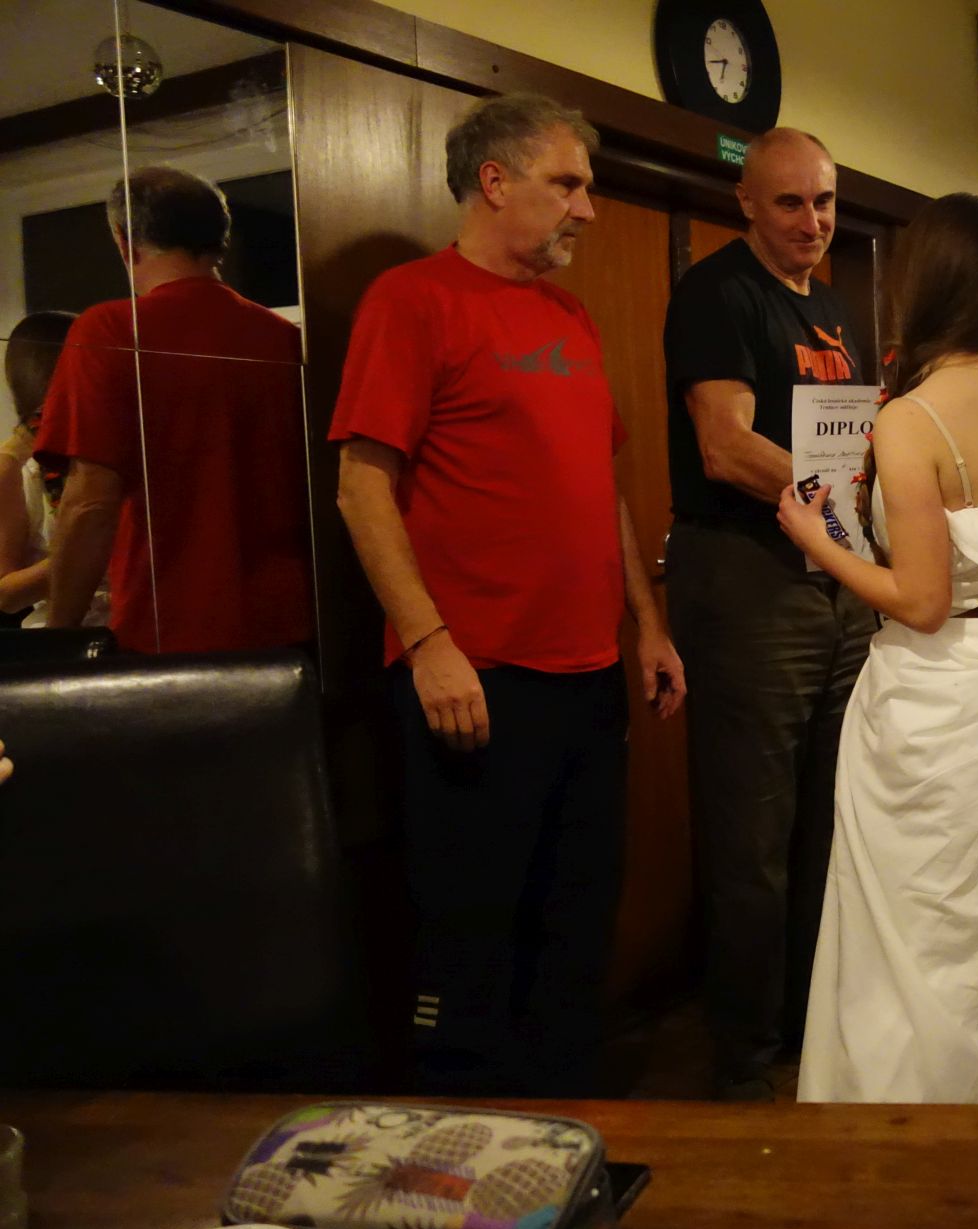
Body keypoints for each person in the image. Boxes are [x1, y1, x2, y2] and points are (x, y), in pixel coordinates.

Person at [331, 93, 684, 1096]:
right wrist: (429, 643)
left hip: (588, 679)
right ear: (495, 181)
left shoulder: (569, 313)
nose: (587, 208)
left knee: (575, 932)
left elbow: (601, 485)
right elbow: (361, 489)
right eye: (567, 184)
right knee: (472, 942)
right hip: (477, 679)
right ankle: (467, 1158)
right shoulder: (412, 299)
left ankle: (566, 1137)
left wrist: (648, 625)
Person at [778, 193, 978, 1103]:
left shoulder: (911, 419)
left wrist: (816, 540)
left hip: (945, 692)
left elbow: (921, 602)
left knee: (913, 941)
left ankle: (905, 1130)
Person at [663, 127, 875, 1101]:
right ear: (745, 201)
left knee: (832, 821)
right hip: (749, 575)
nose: (812, 221)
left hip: (833, 573)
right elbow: (725, 446)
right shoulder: (718, 292)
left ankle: (809, 1033)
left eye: (824, 201)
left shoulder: (830, 306)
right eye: (790, 202)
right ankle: (745, 1057)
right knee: (753, 836)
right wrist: (845, 503)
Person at [33, 166, 310, 650]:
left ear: (125, 241)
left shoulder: (111, 330)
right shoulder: (286, 339)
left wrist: (58, 638)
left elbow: (91, 502)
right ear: (219, 239)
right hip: (290, 625)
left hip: (168, 630)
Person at [1, 312, 109, 627]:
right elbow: (5, 595)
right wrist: (86, 552)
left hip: (143, 629)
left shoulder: (125, 444)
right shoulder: (20, 467)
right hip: (68, 636)